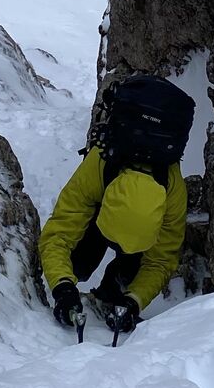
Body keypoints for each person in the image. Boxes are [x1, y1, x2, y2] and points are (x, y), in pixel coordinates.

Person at [39, 75, 194, 341]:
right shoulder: (97, 168)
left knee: (131, 273)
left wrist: (134, 300)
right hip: (99, 210)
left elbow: (161, 259)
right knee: (78, 262)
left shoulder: (173, 192)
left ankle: (115, 287)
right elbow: (59, 234)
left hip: (135, 227)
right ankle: (83, 269)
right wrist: (62, 286)